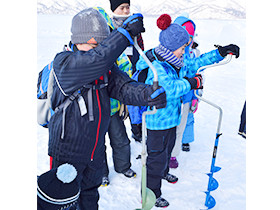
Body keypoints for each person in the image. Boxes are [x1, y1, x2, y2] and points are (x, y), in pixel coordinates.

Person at [47, 8, 166, 210]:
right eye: (96, 44)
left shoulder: (103, 67)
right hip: (67, 153)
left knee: (90, 194)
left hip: (93, 152)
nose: (100, 48)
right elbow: (98, 59)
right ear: (78, 40)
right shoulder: (64, 63)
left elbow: (123, 87)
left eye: (103, 43)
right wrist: (124, 34)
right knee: (65, 201)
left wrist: (148, 94)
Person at [136, 14, 205, 208]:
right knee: (155, 159)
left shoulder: (176, 62)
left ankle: (164, 171)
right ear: (172, 46)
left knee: (166, 153)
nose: (185, 52)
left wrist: (221, 53)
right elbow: (171, 89)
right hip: (156, 122)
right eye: (183, 48)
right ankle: (150, 193)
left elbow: (196, 63)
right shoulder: (157, 66)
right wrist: (192, 82)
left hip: (171, 120)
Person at [169, 14, 240, 169]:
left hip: (185, 100)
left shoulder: (188, 56)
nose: (187, 41)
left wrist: (220, 53)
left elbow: (200, 63)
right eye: (183, 36)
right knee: (164, 132)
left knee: (180, 130)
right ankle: (156, 157)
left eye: (190, 37)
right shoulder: (164, 54)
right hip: (166, 102)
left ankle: (173, 155)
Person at [92, 7, 137, 187]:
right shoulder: (85, 50)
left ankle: (123, 166)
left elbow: (126, 69)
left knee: (120, 139)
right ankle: (101, 172)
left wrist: (124, 100)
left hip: (113, 107)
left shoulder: (114, 49)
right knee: (97, 145)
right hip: (94, 109)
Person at [109, 0, 145, 143]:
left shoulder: (135, 27)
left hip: (134, 73)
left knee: (135, 107)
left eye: (127, 7)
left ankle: (137, 132)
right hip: (116, 75)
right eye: (122, 7)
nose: (125, 11)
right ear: (114, 9)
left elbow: (140, 50)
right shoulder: (109, 28)